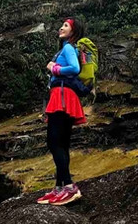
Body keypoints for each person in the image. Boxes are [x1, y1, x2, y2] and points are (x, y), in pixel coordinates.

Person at [36, 17, 87, 206]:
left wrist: (54, 68)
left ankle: (70, 187)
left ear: (73, 32)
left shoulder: (67, 47)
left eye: (65, 26)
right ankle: (59, 188)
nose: (61, 28)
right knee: (62, 143)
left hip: (62, 97)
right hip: (65, 96)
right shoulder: (67, 48)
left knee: (53, 141)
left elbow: (74, 68)